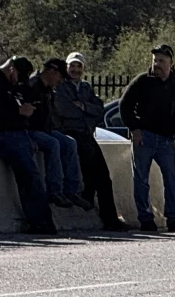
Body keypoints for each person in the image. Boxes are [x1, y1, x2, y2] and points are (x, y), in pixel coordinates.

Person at [121, 44, 175, 233]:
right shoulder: (143, 81)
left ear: (171, 63)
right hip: (144, 137)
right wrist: (134, 128)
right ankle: (146, 219)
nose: (157, 64)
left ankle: (173, 218)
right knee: (141, 178)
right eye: (155, 60)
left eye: (161, 61)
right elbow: (125, 105)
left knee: (171, 179)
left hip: (167, 138)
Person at [0, 58, 56, 233]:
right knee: (29, 177)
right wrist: (19, 111)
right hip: (4, 134)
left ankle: (42, 222)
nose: (18, 82)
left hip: (17, 133)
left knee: (31, 176)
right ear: (11, 70)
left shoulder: (5, 82)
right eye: (18, 77)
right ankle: (41, 223)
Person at [53, 53, 127, 231]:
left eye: (79, 67)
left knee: (104, 175)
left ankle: (110, 219)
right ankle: (86, 194)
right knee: (88, 162)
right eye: (72, 66)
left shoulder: (86, 88)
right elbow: (64, 110)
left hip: (87, 133)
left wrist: (84, 107)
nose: (75, 70)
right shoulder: (61, 87)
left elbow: (99, 109)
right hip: (70, 133)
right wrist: (85, 111)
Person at [21, 58, 87, 210]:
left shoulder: (48, 88)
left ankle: (72, 190)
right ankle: (55, 191)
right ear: (51, 71)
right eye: (60, 76)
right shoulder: (32, 86)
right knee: (53, 144)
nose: (60, 80)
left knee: (70, 143)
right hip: (30, 130)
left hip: (45, 129)